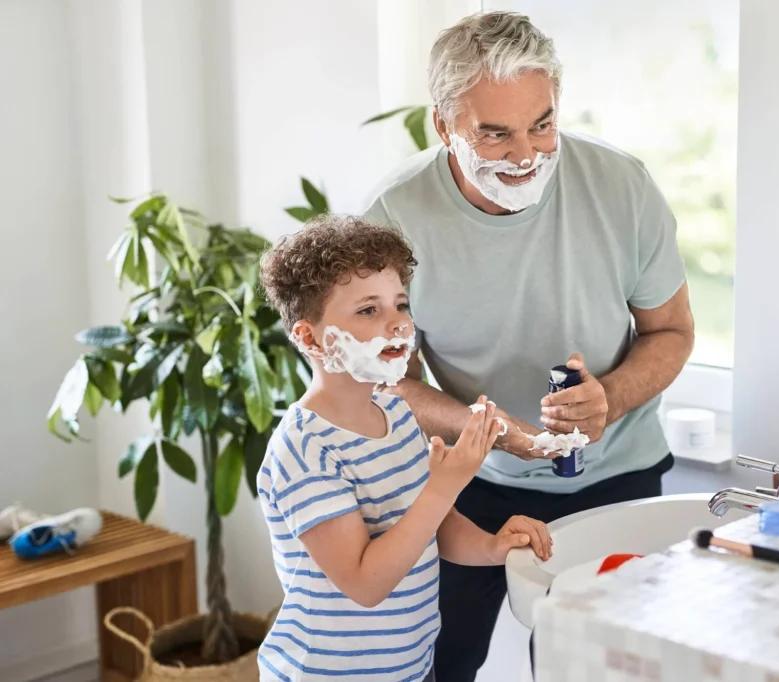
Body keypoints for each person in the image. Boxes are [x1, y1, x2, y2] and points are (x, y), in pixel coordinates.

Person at [362, 11, 697, 680]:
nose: (526, 155)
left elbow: (672, 331)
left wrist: (610, 398)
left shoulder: (621, 187)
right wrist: (488, 430)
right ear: (443, 125)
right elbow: (382, 378)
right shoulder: (391, 220)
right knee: (440, 664)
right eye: (495, 134)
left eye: (542, 124)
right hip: (473, 483)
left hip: (620, 476)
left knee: (607, 667)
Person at [256, 214, 553, 682]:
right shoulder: (305, 449)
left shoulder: (395, 415)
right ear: (310, 337)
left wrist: (493, 548)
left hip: (411, 666)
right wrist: (447, 482)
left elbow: (432, 525)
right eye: (368, 311)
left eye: (401, 305)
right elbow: (365, 584)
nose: (397, 325)